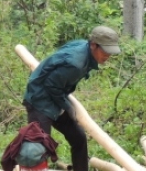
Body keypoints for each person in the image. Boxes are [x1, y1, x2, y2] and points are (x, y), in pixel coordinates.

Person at [23, 25, 121, 171]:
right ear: (93, 45)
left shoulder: (84, 48)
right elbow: (51, 85)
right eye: (105, 51)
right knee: (38, 150)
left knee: (79, 138)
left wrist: (65, 105)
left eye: (111, 52)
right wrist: (68, 107)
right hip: (40, 101)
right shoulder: (76, 64)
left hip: (55, 99)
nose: (108, 56)